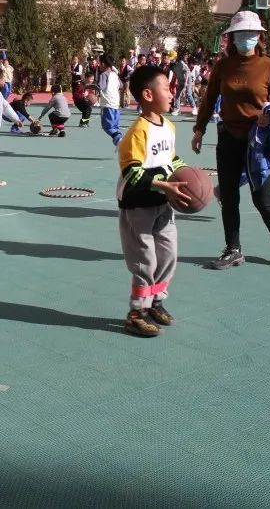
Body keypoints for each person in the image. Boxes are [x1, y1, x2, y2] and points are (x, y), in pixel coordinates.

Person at [192, 11, 270, 270]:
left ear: (259, 36)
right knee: (228, 196)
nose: (245, 38)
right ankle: (233, 248)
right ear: (231, 37)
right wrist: (199, 129)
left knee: (262, 198)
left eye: (250, 34)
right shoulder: (223, 66)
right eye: (239, 34)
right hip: (227, 136)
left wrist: (269, 115)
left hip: (257, 140)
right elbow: (209, 98)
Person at [117, 65, 190, 338]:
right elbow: (132, 171)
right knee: (144, 260)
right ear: (148, 94)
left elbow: (171, 160)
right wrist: (164, 185)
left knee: (168, 254)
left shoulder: (168, 126)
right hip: (138, 205)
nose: (172, 93)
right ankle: (136, 312)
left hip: (163, 202)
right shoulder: (137, 132)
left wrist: (191, 176)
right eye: (166, 88)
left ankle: (156, 302)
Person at [98, 55, 123, 145]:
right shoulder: (115, 75)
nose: (98, 65)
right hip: (116, 105)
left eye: (99, 63)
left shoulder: (103, 75)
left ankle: (120, 141)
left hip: (107, 105)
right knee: (114, 127)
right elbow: (121, 85)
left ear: (103, 64)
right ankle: (119, 140)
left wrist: (87, 85)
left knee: (107, 127)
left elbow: (101, 86)